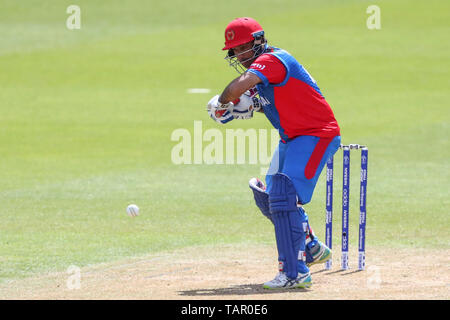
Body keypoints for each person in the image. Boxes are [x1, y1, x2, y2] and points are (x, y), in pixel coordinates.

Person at [207, 17, 341, 289]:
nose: (238, 55)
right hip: (291, 137)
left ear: (258, 41)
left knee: (282, 196)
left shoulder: (273, 60)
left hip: (316, 134)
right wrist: (239, 108)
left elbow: (237, 87)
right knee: (269, 197)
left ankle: (295, 274)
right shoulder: (263, 72)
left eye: (242, 47)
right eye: (233, 51)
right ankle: (311, 247)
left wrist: (222, 102)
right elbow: (257, 101)